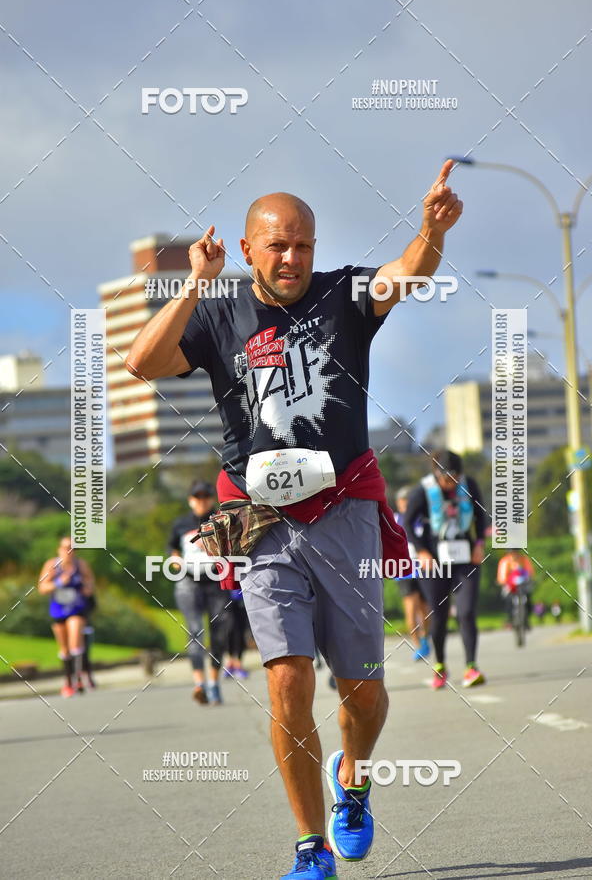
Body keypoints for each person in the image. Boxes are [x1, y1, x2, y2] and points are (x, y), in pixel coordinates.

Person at [127, 159, 463, 879]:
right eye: (277, 245)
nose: (292, 257)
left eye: (303, 245)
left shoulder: (344, 295)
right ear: (247, 248)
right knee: (286, 679)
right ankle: (311, 845)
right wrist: (192, 285)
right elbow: (140, 362)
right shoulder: (217, 313)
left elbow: (407, 272)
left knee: (364, 689)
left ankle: (354, 779)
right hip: (262, 521)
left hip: (344, 510)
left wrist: (430, 233)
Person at [404, 450, 487, 690]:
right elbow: (408, 522)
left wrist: (479, 543)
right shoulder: (423, 491)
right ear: (436, 474)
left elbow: (481, 517)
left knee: (466, 612)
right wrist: (421, 550)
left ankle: (471, 666)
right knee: (438, 616)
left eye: (456, 478)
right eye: (448, 479)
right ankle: (440, 665)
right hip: (434, 560)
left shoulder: (468, 484)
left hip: (466, 557)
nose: (452, 483)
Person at [169, 480, 233, 705]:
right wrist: (175, 559)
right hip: (189, 582)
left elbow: (232, 545)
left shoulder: (221, 519)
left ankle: (214, 683)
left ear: (211, 499)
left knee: (219, 631)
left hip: (216, 581)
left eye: (205, 497)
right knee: (195, 631)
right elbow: (173, 548)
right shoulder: (180, 524)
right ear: (190, 500)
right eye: (197, 497)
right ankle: (199, 684)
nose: (201, 501)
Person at [38, 537, 95, 697]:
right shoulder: (51, 565)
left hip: (77, 608)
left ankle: (78, 679)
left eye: (72, 548)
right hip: (58, 610)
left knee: (75, 638)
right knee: (64, 648)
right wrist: (58, 583)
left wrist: (87, 588)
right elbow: (42, 587)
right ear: (59, 549)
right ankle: (68, 681)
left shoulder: (81, 565)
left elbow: (90, 583)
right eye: (65, 548)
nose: (69, 551)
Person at [393, 486, 430, 660]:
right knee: (411, 608)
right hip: (403, 568)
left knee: (425, 608)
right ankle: (418, 644)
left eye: (408, 501)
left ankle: (426, 638)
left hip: (422, 567)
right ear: (398, 504)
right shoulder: (394, 519)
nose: (406, 504)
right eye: (403, 501)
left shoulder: (421, 519)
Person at [496, 549, 534, 627]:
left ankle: (526, 618)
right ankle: (510, 618)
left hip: (523, 584)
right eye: (512, 552)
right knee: (508, 599)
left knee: (528, 598)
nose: (514, 554)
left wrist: (528, 578)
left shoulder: (524, 559)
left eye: (515, 551)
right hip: (510, 585)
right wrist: (504, 582)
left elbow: (529, 571)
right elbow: (502, 576)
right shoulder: (505, 561)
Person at [223, 588, 250, 680]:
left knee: (240, 631)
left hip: (241, 596)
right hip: (226, 596)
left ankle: (238, 663)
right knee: (229, 630)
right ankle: (231, 662)